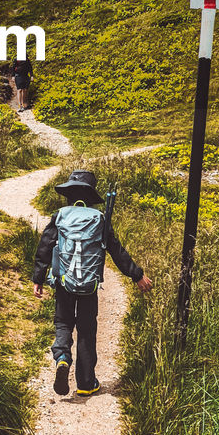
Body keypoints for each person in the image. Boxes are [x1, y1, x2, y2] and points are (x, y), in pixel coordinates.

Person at [32, 169, 153, 397]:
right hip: (89, 285)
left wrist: (38, 278)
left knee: (63, 323)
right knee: (87, 330)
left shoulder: (60, 216)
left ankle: (62, 358)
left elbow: (44, 248)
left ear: (69, 195)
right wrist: (137, 275)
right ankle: (86, 383)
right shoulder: (99, 219)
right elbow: (117, 251)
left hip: (63, 283)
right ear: (90, 197)